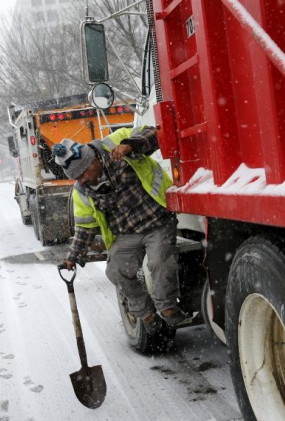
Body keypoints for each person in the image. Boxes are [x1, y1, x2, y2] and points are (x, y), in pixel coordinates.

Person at [54, 126, 191, 335]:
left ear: (93, 161)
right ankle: (147, 315)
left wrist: (132, 145)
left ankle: (168, 308)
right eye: (76, 177)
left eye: (82, 174)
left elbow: (155, 133)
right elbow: (85, 227)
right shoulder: (81, 190)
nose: (80, 180)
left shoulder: (116, 142)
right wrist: (73, 257)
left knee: (159, 261)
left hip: (158, 221)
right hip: (126, 233)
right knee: (116, 270)